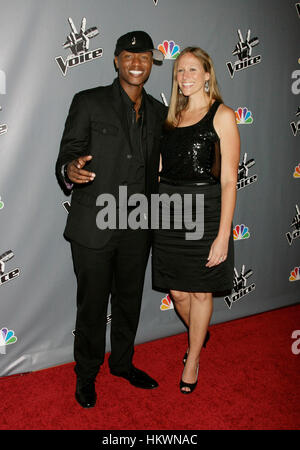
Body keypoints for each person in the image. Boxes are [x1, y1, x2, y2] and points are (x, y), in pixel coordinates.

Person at [56, 31, 167, 408]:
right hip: (94, 227)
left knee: (129, 302)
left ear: (153, 63)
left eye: (145, 58)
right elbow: (68, 155)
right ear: (116, 61)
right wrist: (69, 170)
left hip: (138, 227)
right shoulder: (88, 102)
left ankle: (122, 363)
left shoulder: (158, 112)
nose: (137, 64)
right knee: (91, 307)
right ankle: (86, 375)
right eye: (129, 57)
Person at [152, 47, 240, 394]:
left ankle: (193, 358)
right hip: (170, 210)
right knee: (177, 290)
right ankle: (199, 333)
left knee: (201, 292)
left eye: (192, 70)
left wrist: (222, 237)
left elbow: (230, 180)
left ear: (207, 75)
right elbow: (161, 168)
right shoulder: (171, 119)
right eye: (180, 71)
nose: (185, 76)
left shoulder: (223, 115)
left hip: (205, 210)